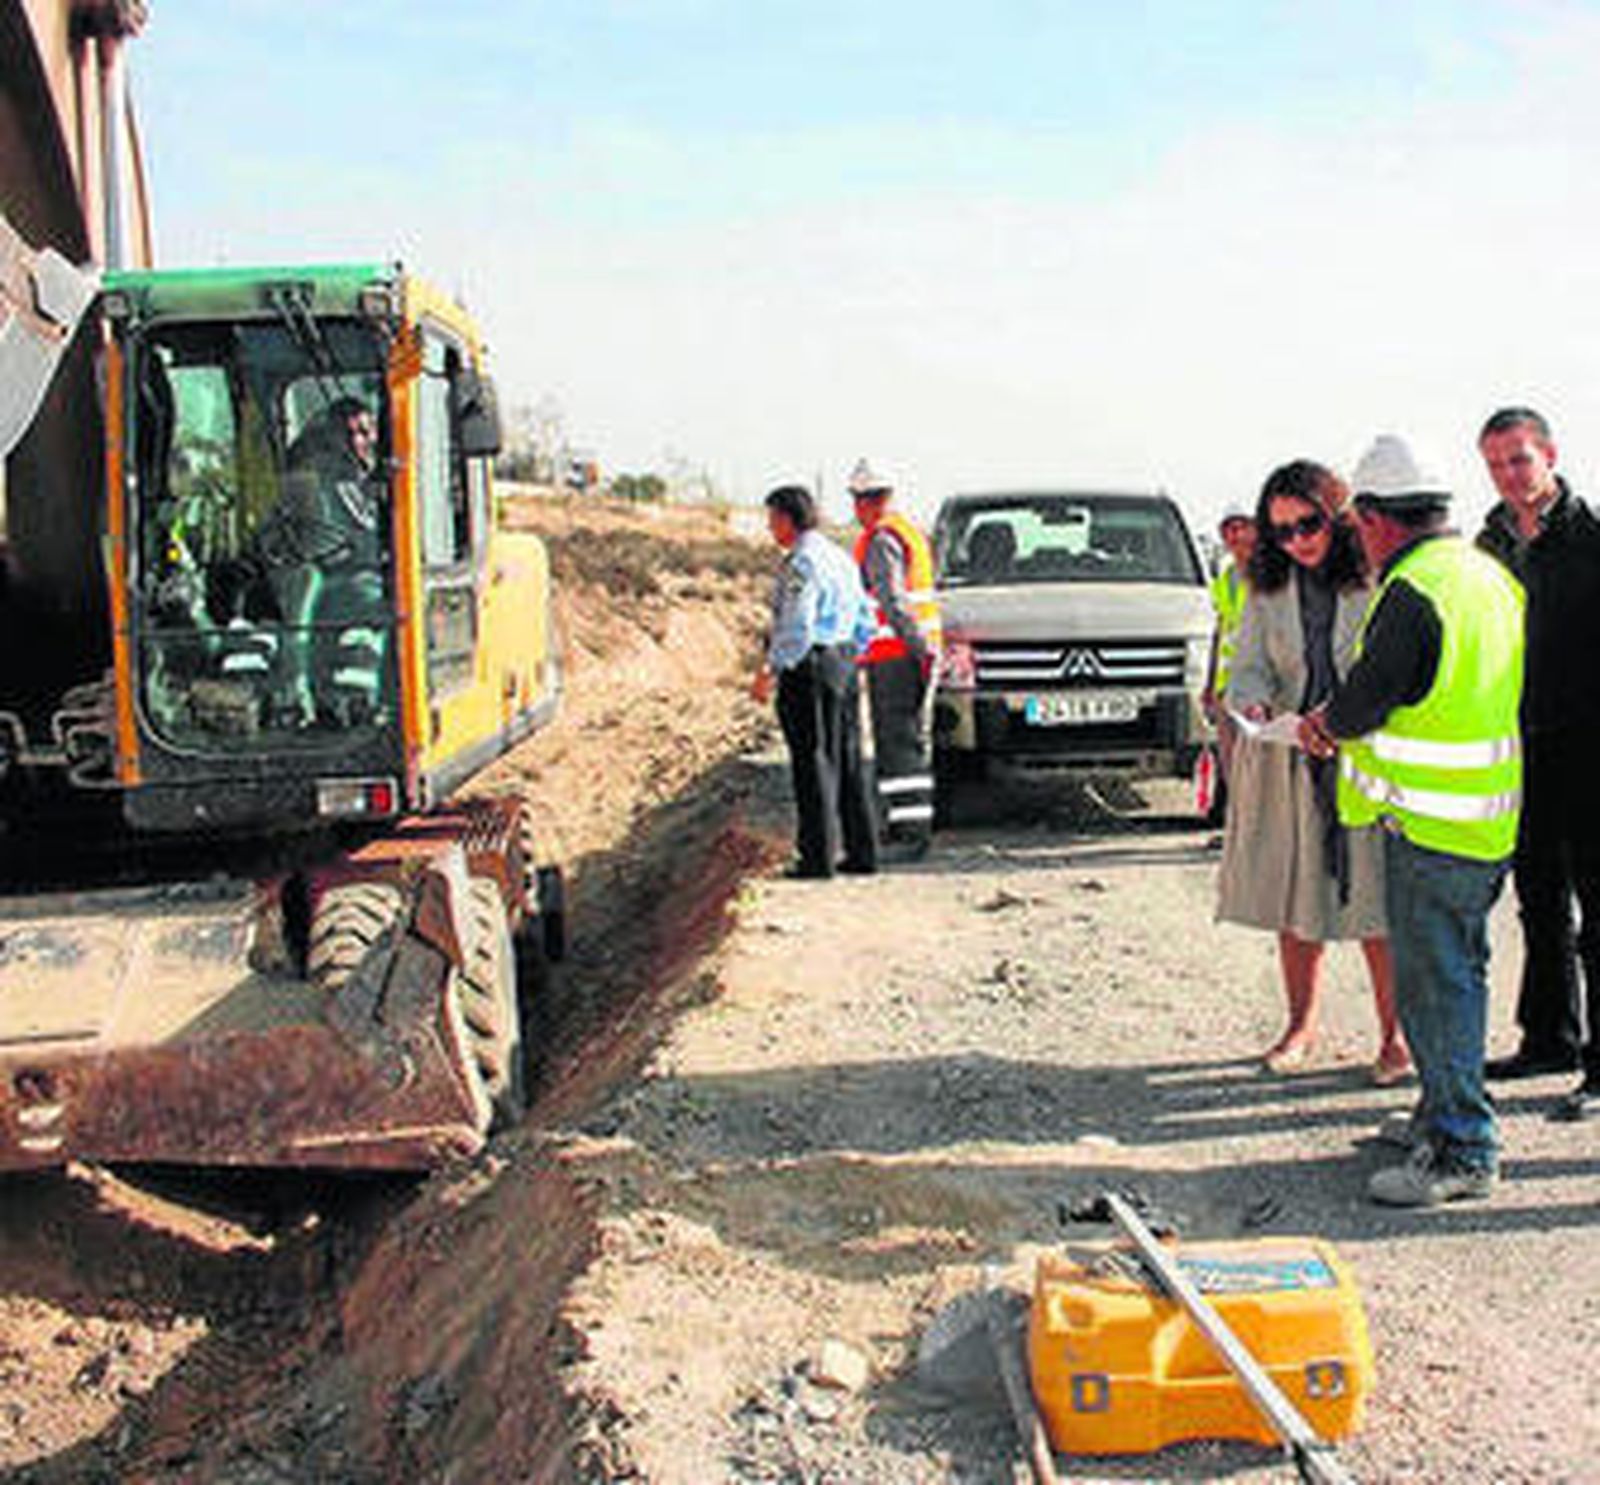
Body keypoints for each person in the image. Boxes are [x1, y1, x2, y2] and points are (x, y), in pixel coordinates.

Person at [1300, 435, 1523, 1206]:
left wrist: (1324, 723)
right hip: (1482, 821)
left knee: (1438, 985)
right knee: (1455, 974)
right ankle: (1441, 1112)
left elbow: (1370, 698)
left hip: (1433, 827)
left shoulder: (1414, 590)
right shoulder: (1486, 577)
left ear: (1373, 519)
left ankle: (1464, 1148)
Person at [1216, 461, 1405, 1082]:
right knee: (1296, 902)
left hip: (1364, 759)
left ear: (1338, 517)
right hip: (1290, 759)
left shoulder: (1377, 581)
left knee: (1376, 901)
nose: (1296, 540)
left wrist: (1343, 720)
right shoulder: (1265, 589)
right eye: (1282, 532)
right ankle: (1300, 1028)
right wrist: (1251, 701)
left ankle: (1395, 1039)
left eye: (1307, 525)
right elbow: (1247, 666)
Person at [1474, 408, 1600, 1120]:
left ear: (1548, 453)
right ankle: (1550, 1037)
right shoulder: (1487, 544)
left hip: (1590, 744)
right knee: (1538, 900)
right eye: (1494, 464)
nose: (1508, 475)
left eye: (1519, 459)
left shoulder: (1591, 536)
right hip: (1522, 748)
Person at [753, 484, 878, 880]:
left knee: (813, 760)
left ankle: (818, 858)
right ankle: (862, 851)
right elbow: (865, 618)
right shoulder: (840, 558)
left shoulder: (802, 563)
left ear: (789, 519)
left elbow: (798, 624)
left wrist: (772, 668)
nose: (770, 528)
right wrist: (850, 652)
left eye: (772, 519)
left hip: (811, 666)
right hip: (842, 660)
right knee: (848, 757)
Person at [848, 458, 942, 857]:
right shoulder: (910, 534)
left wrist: (918, 649)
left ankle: (911, 833)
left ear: (865, 501)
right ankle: (904, 825)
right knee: (906, 741)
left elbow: (893, 601)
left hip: (895, 655)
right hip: (909, 652)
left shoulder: (882, 539)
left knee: (898, 744)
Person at [1202, 504, 1259, 794]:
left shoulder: (1270, 575)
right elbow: (1221, 631)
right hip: (1228, 688)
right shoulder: (1226, 577)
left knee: (1257, 768)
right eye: (1228, 529)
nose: (1235, 535)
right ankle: (1233, 833)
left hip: (1257, 689)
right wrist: (1209, 685)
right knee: (1231, 766)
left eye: (1241, 527)